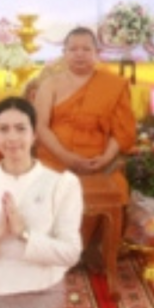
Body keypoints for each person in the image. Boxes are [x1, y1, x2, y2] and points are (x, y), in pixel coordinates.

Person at [0, 97, 83, 308]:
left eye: (21, 128)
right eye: (3, 129)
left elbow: (70, 253)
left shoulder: (61, 185)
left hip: (43, 289)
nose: (12, 137)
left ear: (34, 135)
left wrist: (24, 233)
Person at [34, 27, 136, 229]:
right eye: (73, 49)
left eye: (86, 49)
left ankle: (99, 250)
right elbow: (39, 126)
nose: (79, 54)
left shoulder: (113, 85)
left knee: (119, 188)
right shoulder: (50, 85)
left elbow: (122, 130)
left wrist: (105, 159)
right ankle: (53, 248)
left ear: (97, 53)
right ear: (64, 53)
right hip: (55, 161)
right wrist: (65, 156)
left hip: (98, 163)